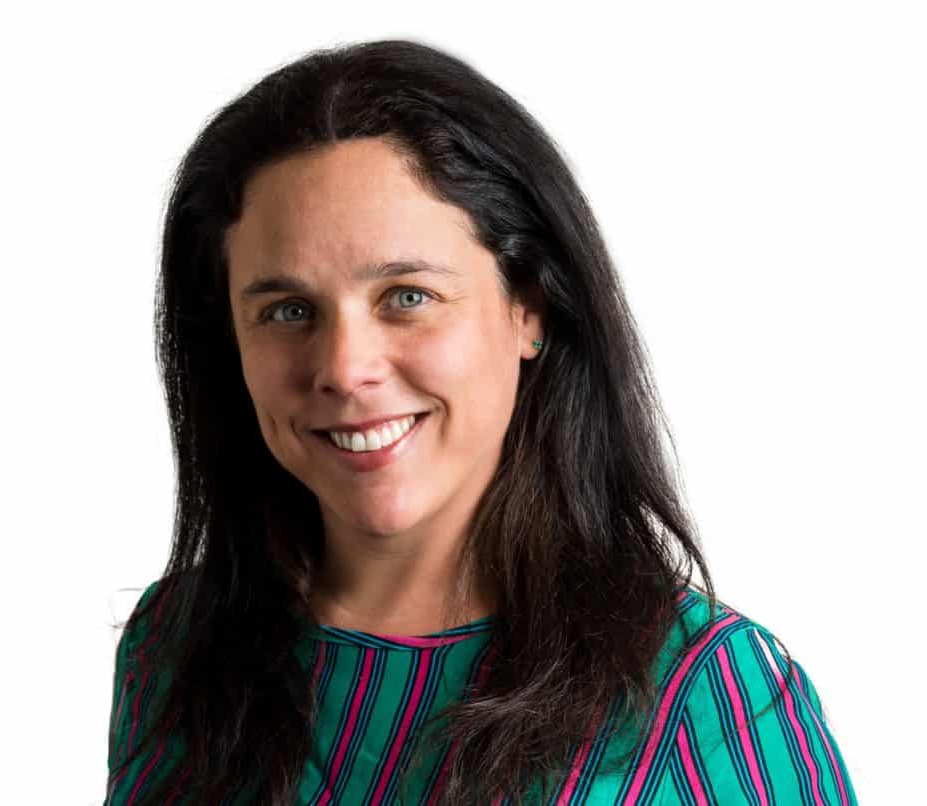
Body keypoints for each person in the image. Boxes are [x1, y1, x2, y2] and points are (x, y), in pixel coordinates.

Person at [104, 39, 857, 805]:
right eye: (288, 311)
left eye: (407, 297)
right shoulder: (173, 647)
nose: (344, 367)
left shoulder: (708, 692)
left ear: (528, 306)